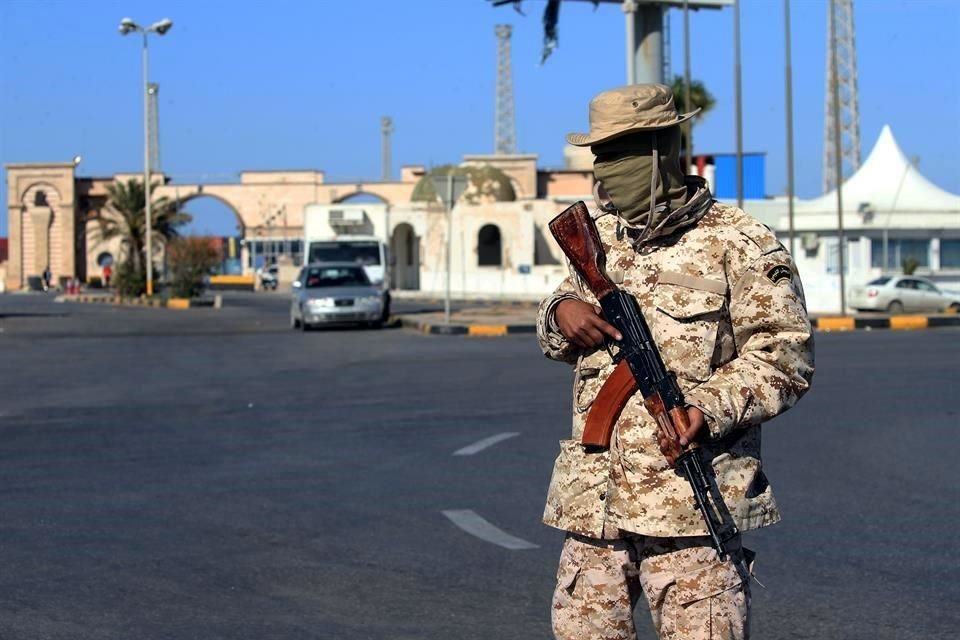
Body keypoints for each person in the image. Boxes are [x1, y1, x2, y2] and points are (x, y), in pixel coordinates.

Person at [537, 84, 815, 640]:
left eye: (622, 153)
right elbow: (555, 336)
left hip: (691, 505)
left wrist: (704, 410)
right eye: (600, 156)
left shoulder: (738, 241)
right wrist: (559, 312)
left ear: (664, 147)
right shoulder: (598, 237)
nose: (606, 170)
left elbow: (785, 357)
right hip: (594, 507)